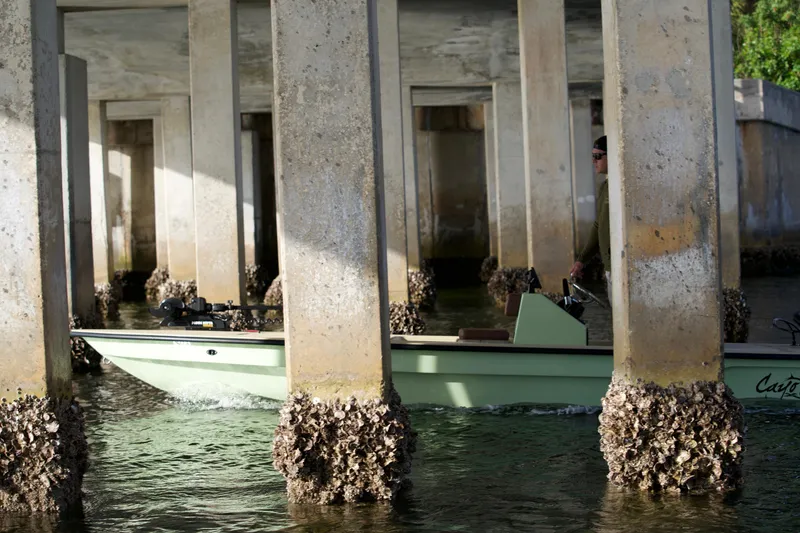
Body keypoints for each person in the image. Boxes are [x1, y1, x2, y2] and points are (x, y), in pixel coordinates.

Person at [570, 136, 611, 297]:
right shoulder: (604, 187)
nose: (594, 161)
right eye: (592, 156)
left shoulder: (620, 187)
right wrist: (581, 260)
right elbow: (598, 226)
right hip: (608, 268)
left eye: (597, 156)